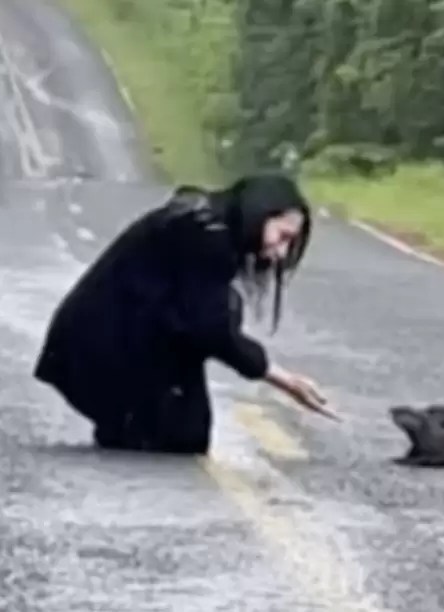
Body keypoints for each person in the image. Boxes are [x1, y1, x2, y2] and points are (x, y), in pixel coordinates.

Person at [33, 173, 336, 455]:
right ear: (260, 212)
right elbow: (211, 329)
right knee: (177, 438)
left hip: (110, 339)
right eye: (282, 236)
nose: (282, 252)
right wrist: (283, 379)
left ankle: (126, 425)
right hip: (99, 347)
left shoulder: (203, 219)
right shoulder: (207, 234)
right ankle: (126, 424)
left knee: (185, 431)